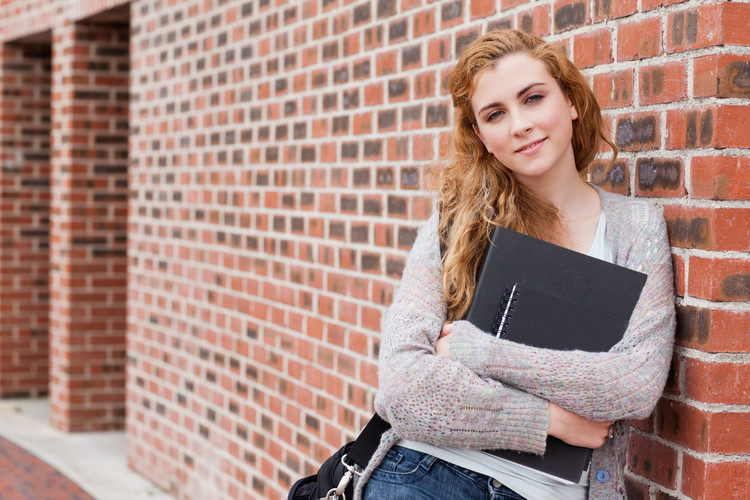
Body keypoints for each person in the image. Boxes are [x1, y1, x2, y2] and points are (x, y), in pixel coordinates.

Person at [352, 29, 675, 500]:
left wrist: (478, 353)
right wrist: (552, 420)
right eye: (496, 114)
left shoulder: (636, 228)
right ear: (482, 137)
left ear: (571, 103)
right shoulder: (456, 225)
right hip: (426, 478)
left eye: (533, 98)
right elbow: (403, 387)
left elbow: (636, 384)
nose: (520, 124)